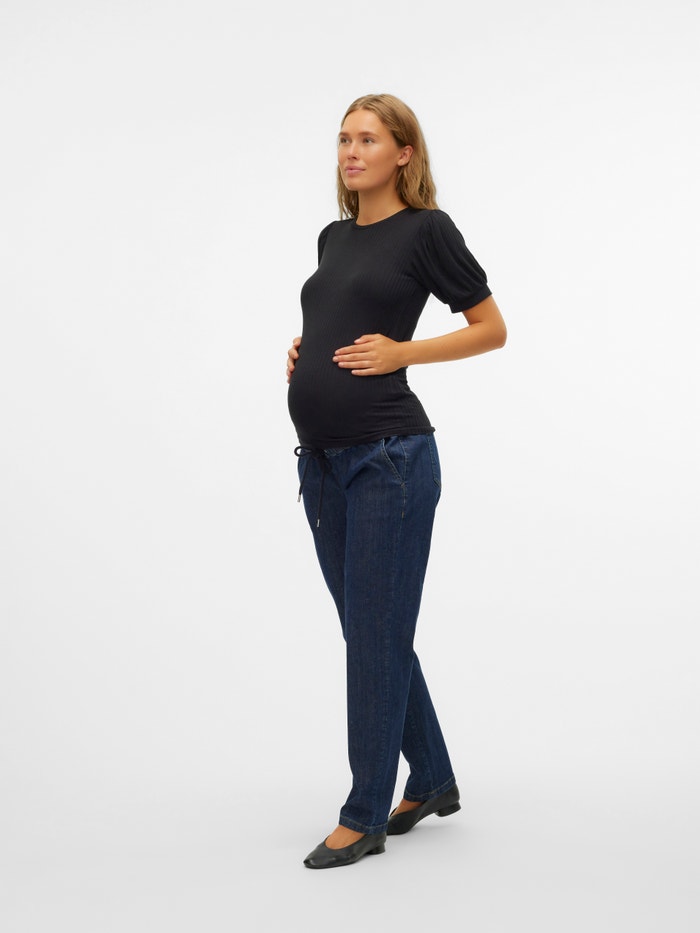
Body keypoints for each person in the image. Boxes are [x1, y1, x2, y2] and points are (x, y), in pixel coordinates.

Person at [286, 93, 507, 870]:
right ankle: (433, 776)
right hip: (321, 461)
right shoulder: (334, 236)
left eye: (369, 139)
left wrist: (402, 353)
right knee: (370, 631)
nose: (351, 152)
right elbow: (339, 315)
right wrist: (307, 350)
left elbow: (491, 328)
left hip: (389, 459)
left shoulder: (427, 230)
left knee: (374, 637)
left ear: (403, 153)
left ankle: (365, 813)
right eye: (344, 139)